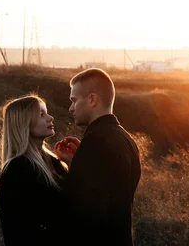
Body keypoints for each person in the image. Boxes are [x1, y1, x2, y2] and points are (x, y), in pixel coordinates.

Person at [56, 68, 141, 245]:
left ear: (92, 99)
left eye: (74, 100)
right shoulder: (127, 139)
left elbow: (84, 209)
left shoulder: (95, 141)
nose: (71, 107)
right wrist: (76, 163)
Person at [0, 94, 77, 245]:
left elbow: (73, 201)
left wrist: (71, 163)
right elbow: (17, 230)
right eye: (41, 114)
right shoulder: (17, 169)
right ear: (24, 122)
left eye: (46, 112)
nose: (50, 117)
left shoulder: (53, 162)